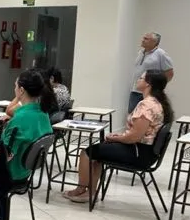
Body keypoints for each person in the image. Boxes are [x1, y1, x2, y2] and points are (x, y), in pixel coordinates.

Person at [65, 70, 173, 203]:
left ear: (148, 84)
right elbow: (138, 133)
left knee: (87, 153)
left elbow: (134, 137)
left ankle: (81, 189)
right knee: (99, 154)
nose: (138, 80)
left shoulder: (147, 105)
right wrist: (120, 136)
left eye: (141, 78)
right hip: (144, 151)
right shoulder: (156, 103)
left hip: (139, 153)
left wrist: (116, 138)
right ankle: (90, 193)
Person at [1, 69, 54, 184]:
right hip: (25, 172)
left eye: (15, 86)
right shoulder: (43, 114)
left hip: (10, 175)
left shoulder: (19, 120)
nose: (14, 89)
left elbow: (5, 155)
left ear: (21, 90)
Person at [128, 32, 174, 113]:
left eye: (146, 39)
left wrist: (159, 87)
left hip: (151, 93)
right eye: (143, 38)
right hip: (135, 91)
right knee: (132, 115)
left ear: (154, 42)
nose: (142, 40)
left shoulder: (161, 54)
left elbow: (169, 73)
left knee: (148, 116)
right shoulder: (141, 52)